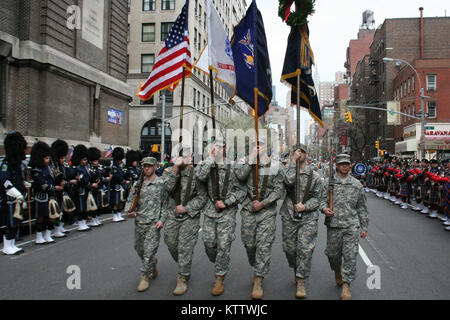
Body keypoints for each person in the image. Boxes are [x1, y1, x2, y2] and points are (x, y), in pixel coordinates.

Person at [234, 137, 284, 299]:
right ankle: (256, 266)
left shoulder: (275, 165)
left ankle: (259, 279)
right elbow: (239, 179)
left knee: (263, 246)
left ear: (266, 147)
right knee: (250, 245)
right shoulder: (245, 163)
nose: (257, 147)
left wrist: (263, 204)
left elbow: (279, 190)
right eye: (254, 145)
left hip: (267, 212)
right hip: (248, 210)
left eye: (260, 144)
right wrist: (250, 160)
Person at [195, 141, 246, 297]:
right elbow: (200, 177)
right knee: (209, 244)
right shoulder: (207, 164)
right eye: (215, 146)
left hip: (227, 212)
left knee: (223, 245)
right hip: (210, 210)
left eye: (221, 146)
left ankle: (219, 276)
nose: (217, 148)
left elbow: (241, 191)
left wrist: (226, 202)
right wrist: (210, 159)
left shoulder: (234, 166)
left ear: (225, 149)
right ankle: (219, 263)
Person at [124, 157, 181, 292]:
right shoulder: (138, 184)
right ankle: (152, 264)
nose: (147, 168)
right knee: (139, 249)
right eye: (144, 166)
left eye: (149, 166)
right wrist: (129, 210)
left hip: (153, 224)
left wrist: (162, 220)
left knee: (149, 251)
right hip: (140, 222)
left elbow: (166, 205)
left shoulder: (161, 183)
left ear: (155, 166)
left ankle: (145, 276)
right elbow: (130, 200)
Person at [320, 154, 369, 300]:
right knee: (332, 255)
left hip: (351, 226)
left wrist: (364, 227)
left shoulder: (356, 184)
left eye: (347, 164)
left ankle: (347, 285)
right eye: (342, 164)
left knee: (350, 256)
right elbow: (321, 200)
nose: (344, 166)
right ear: (336, 165)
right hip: (333, 225)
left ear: (350, 165)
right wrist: (324, 209)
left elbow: (362, 207)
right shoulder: (329, 183)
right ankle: (337, 271)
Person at [281, 143, 322, 299]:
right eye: (297, 151)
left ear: (307, 154)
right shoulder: (289, 169)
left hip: (308, 217)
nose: (300, 154)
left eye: (302, 152)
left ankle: (301, 281)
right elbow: (287, 181)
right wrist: (293, 162)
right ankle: (296, 269)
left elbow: (318, 198)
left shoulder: (315, 176)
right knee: (290, 249)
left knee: (305, 250)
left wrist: (305, 206)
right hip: (289, 215)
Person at [164, 150, 207, 295]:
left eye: (187, 157)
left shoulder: (197, 174)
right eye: (182, 157)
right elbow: (167, 188)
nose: (185, 160)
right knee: (171, 244)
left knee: (185, 248)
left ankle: (182, 277)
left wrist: (187, 208)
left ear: (191, 158)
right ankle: (184, 264)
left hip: (189, 217)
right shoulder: (170, 171)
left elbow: (202, 197)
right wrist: (175, 169)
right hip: (172, 216)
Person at [1, 131, 28, 255]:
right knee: (10, 223)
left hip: (19, 197)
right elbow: (5, 181)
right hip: (10, 198)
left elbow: (20, 179)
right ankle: (7, 245)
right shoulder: (6, 164)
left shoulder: (18, 165)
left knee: (17, 222)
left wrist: (25, 185)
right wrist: (16, 193)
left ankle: (12, 244)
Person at [29, 141, 57, 244]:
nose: (48, 160)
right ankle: (39, 236)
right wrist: (52, 187)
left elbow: (52, 179)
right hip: (41, 195)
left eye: (48, 158)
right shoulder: (36, 170)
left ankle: (48, 234)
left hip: (50, 195)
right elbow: (41, 183)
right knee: (40, 217)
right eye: (46, 158)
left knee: (51, 216)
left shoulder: (49, 168)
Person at [50, 139, 70, 237]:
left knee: (62, 210)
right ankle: (56, 229)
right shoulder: (52, 166)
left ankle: (59, 227)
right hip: (54, 191)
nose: (63, 160)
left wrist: (64, 182)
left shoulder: (61, 166)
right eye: (61, 158)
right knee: (56, 212)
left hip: (61, 191)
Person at [71, 145, 91, 231]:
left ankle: (83, 222)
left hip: (85, 189)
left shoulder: (85, 168)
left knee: (84, 207)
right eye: (83, 160)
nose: (85, 162)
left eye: (85, 160)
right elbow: (80, 179)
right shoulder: (77, 168)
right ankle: (80, 223)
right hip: (80, 190)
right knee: (80, 207)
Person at [110, 147, 128, 222]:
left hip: (120, 186)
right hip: (115, 186)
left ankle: (119, 214)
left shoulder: (119, 167)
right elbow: (116, 176)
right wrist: (123, 181)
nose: (121, 161)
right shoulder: (114, 167)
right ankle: (115, 215)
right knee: (116, 201)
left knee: (121, 201)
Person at [87, 147, 103, 227]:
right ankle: (93, 218)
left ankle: (96, 218)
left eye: (97, 161)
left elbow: (101, 175)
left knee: (98, 203)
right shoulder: (89, 169)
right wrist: (92, 183)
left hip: (98, 188)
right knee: (93, 204)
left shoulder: (98, 168)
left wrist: (100, 180)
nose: (96, 162)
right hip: (92, 189)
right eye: (95, 161)